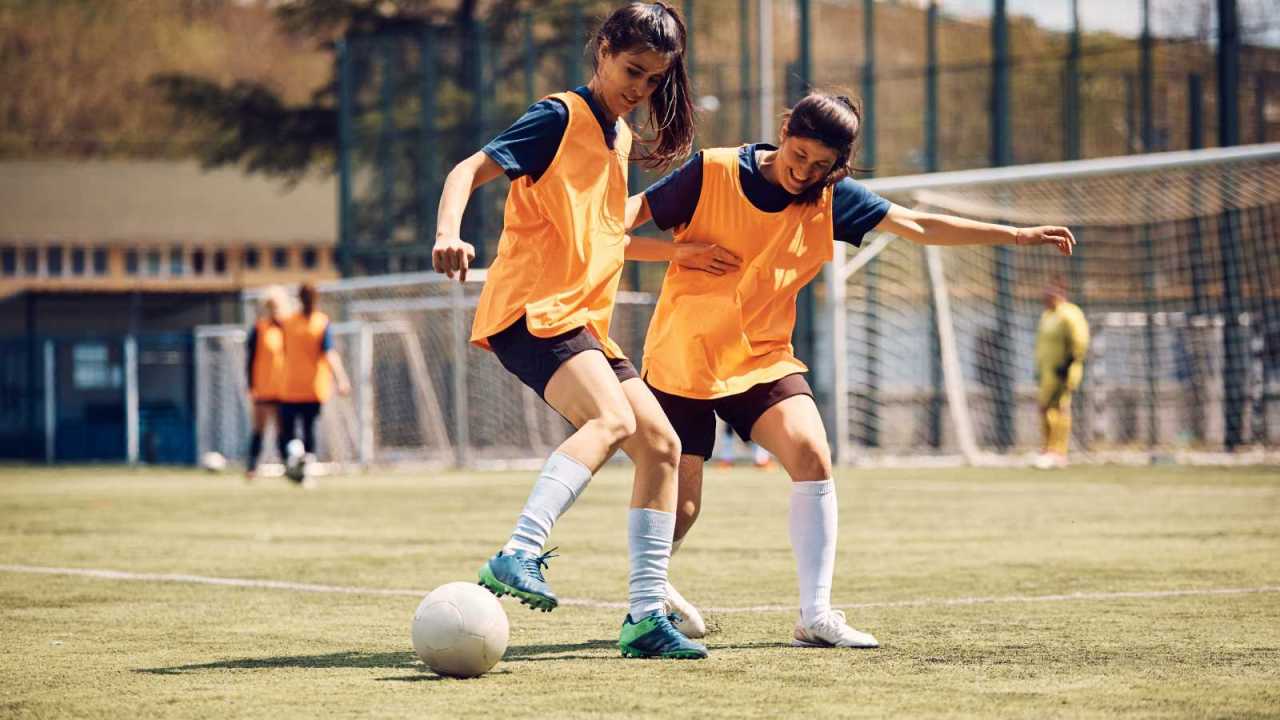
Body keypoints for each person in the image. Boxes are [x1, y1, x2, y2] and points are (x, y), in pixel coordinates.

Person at [625, 91, 1076, 647]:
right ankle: (647, 597)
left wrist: (1015, 234)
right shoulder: (710, 171)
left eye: (821, 166)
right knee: (684, 507)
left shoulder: (829, 196)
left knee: (813, 454)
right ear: (785, 130)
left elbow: (918, 225)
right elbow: (613, 231)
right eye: (799, 156)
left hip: (761, 355)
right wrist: (679, 254)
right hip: (684, 356)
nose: (805, 173)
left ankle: (815, 616)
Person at [430, 2, 705, 659]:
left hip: (581, 321)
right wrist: (448, 233)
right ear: (603, 49)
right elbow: (466, 169)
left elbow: (606, 238)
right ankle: (517, 552)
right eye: (632, 70)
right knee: (611, 422)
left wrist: (679, 255)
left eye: (653, 80)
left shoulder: (621, 139)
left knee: (662, 447)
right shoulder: (558, 117)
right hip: (531, 310)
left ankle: (643, 618)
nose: (639, 88)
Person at [278, 282, 351, 485]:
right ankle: (304, 469)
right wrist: (341, 378)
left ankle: (297, 461)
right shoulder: (319, 322)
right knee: (307, 429)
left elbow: (282, 351)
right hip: (310, 386)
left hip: (292, 385)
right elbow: (329, 353)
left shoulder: (290, 322)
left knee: (291, 431)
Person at [1034, 280, 1089, 469]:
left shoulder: (1070, 314)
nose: (1045, 296)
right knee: (1044, 408)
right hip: (1047, 371)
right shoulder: (1047, 315)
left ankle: (1058, 453)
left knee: (1060, 408)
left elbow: (1080, 341)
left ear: (1060, 292)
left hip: (1064, 370)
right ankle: (1047, 449)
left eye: (1049, 292)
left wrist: (1068, 364)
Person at [244, 286, 289, 481]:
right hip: (263, 388)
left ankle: (288, 466)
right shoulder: (259, 329)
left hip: (283, 388)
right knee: (259, 429)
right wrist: (251, 386)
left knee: (283, 430)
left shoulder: (287, 329)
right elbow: (251, 360)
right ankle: (252, 467)